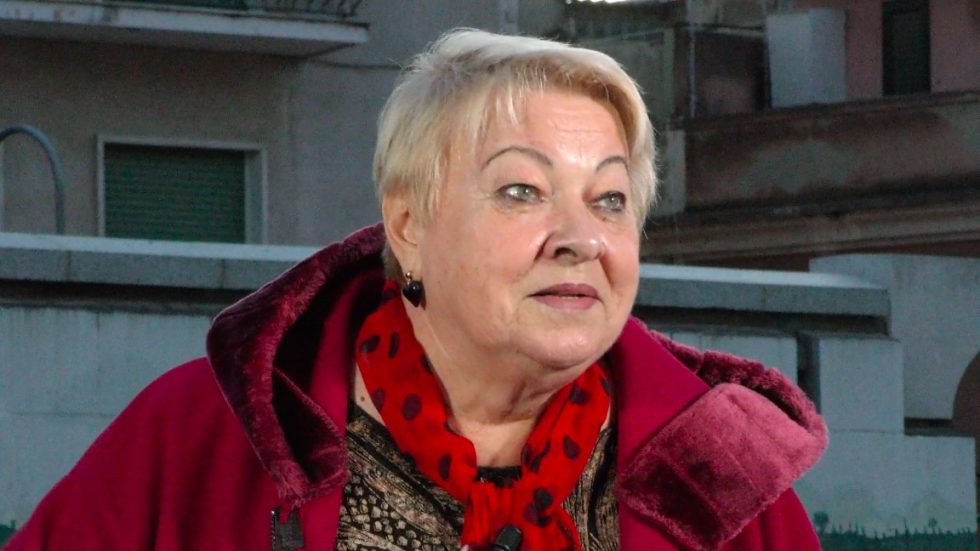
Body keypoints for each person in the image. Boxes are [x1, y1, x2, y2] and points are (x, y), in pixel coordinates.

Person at [5, 29, 826, 551]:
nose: (580, 237)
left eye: (609, 199)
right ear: (408, 225)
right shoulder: (203, 438)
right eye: (522, 191)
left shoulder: (724, 482)